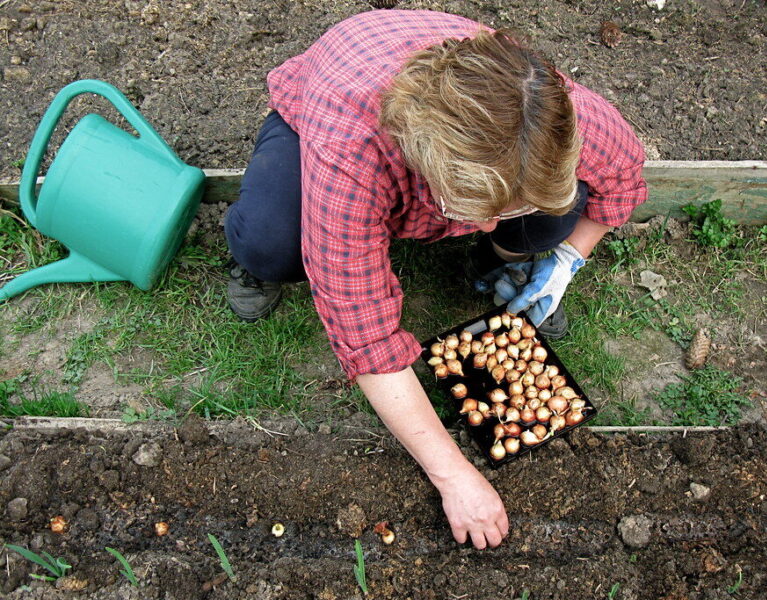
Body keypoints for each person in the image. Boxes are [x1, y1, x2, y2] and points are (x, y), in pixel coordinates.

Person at [224, 9, 646, 550]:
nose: (489, 224)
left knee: (557, 214)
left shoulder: (553, 116)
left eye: (502, 213)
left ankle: (500, 260)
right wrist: (452, 475)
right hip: (325, 110)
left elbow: (622, 176)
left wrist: (566, 258)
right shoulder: (351, 153)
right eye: (476, 212)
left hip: (460, 131)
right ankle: (255, 249)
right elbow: (366, 336)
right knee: (272, 241)